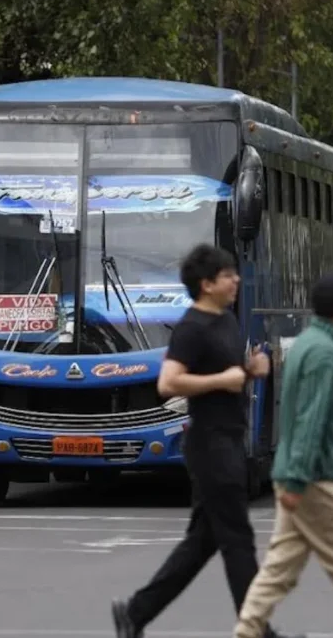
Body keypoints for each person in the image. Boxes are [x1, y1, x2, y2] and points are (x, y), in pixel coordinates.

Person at [112, 244, 299, 638]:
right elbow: (168, 382)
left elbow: (228, 377)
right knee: (238, 541)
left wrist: (250, 371)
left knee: (203, 543)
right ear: (206, 284)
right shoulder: (192, 327)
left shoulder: (227, 321)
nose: (235, 280)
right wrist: (222, 380)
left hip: (230, 440)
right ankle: (257, 630)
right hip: (211, 446)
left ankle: (136, 612)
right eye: (227, 275)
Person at [233, 271, 333, 638]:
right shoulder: (324, 354)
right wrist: (297, 479)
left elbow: (327, 417)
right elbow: (313, 421)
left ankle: (246, 630)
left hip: (299, 475)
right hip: (319, 479)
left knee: (281, 567)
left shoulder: (308, 345)